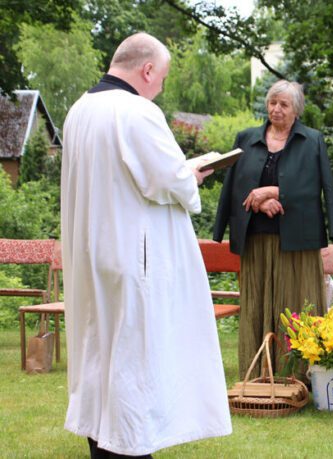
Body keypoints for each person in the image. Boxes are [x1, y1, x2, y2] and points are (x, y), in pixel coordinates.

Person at [61, 33, 232, 457]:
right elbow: (166, 180)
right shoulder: (137, 111)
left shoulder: (80, 110)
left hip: (93, 250)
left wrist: (177, 173)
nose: (161, 87)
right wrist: (191, 174)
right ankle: (131, 447)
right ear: (147, 69)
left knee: (101, 351)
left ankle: (102, 442)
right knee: (134, 357)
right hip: (133, 256)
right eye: (163, 77)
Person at [213, 80, 333, 379]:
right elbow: (236, 185)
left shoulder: (312, 140)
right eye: (272, 103)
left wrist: (273, 191)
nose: (276, 109)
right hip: (256, 236)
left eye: (284, 104)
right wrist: (258, 201)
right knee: (256, 303)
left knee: (295, 301)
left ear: (296, 109)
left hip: (297, 238)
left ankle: (295, 373)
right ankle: (257, 371)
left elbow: (315, 187)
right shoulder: (246, 138)